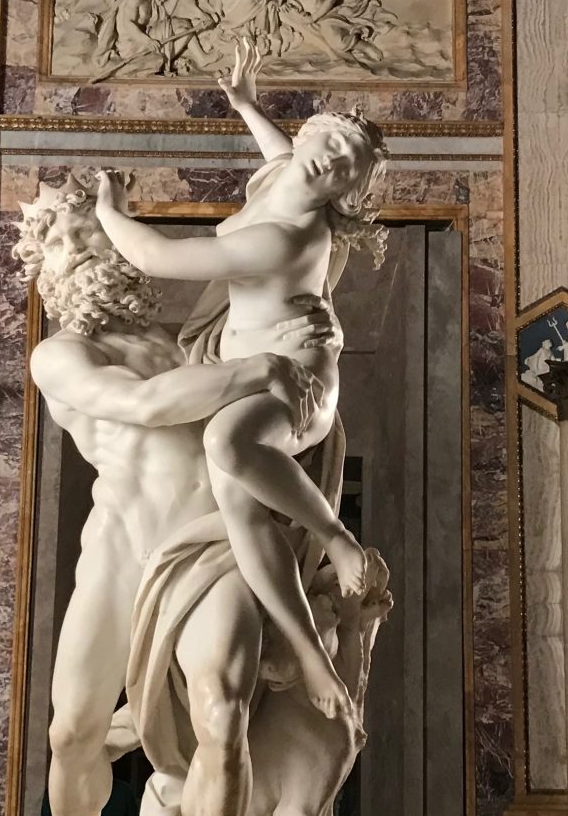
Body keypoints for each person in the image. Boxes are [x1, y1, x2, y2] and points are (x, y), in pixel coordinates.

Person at [6, 176, 343, 816]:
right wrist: (261, 367)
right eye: (63, 242)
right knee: (72, 731)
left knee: (222, 711)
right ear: (45, 269)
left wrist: (309, 342)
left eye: (91, 233)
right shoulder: (61, 355)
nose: (82, 250)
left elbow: (281, 258)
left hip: (209, 545)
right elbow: (151, 406)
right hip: (123, 550)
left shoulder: (192, 338)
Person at [91, 42, 387, 728]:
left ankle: (336, 537)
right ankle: (310, 655)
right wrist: (248, 105)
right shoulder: (283, 176)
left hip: (295, 383)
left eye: (346, 165)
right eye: (328, 142)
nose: (330, 160)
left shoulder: (285, 238)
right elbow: (281, 156)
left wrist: (109, 211)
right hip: (248, 368)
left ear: (346, 191)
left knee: (227, 443)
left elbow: (156, 256)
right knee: (238, 505)